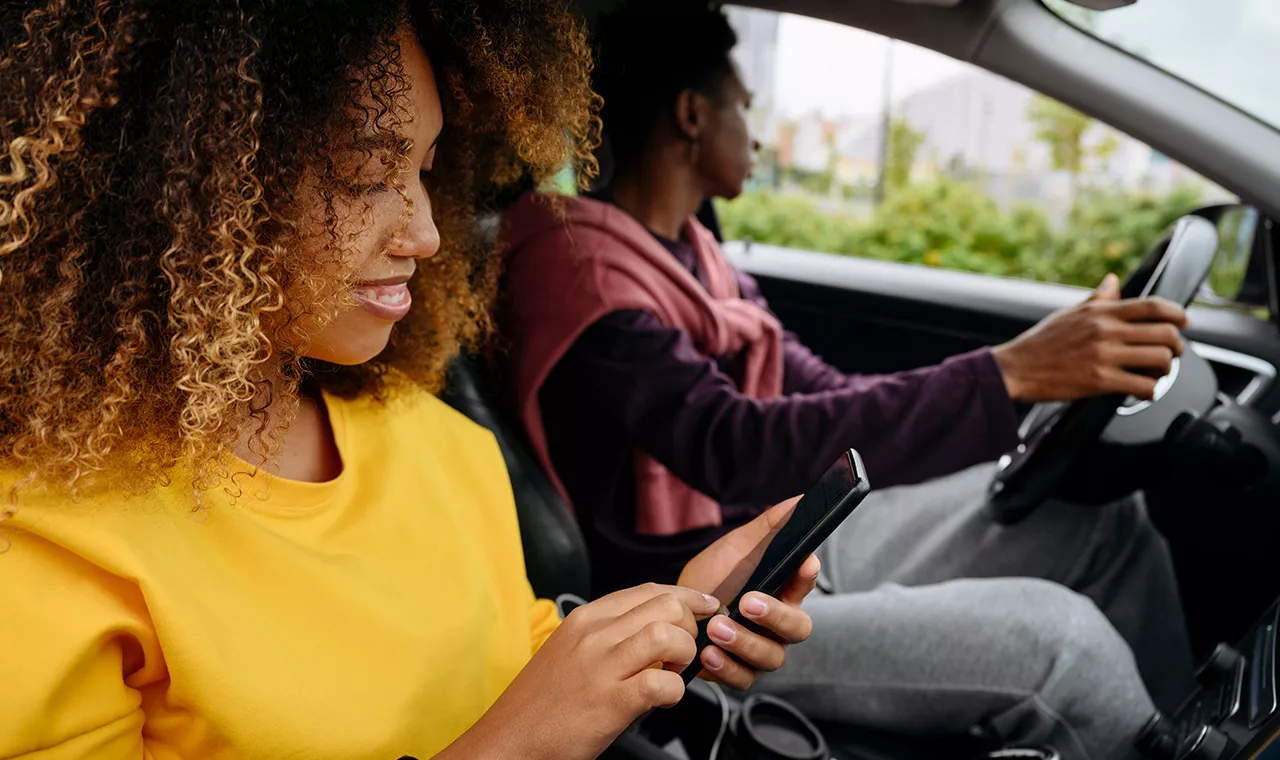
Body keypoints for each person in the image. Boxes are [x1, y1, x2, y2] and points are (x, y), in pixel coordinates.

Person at [0, 3, 820, 759]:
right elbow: (528, 722)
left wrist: (670, 625)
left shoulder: (437, 438)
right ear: (177, 186)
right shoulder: (43, 545)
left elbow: (524, 673)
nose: (426, 232)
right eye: (364, 175)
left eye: (426, 170)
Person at [497, 2, 1197, 757]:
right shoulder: (578, 273)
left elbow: (820, 388)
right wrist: (1010, 373)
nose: (757, 133)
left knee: (1101, 521)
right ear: (693, 115)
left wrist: (1024, 372)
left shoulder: (699, 257)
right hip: (699, 606)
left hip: (794, 533)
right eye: (744, 107)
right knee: (1067, 646)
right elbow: (733, 443)